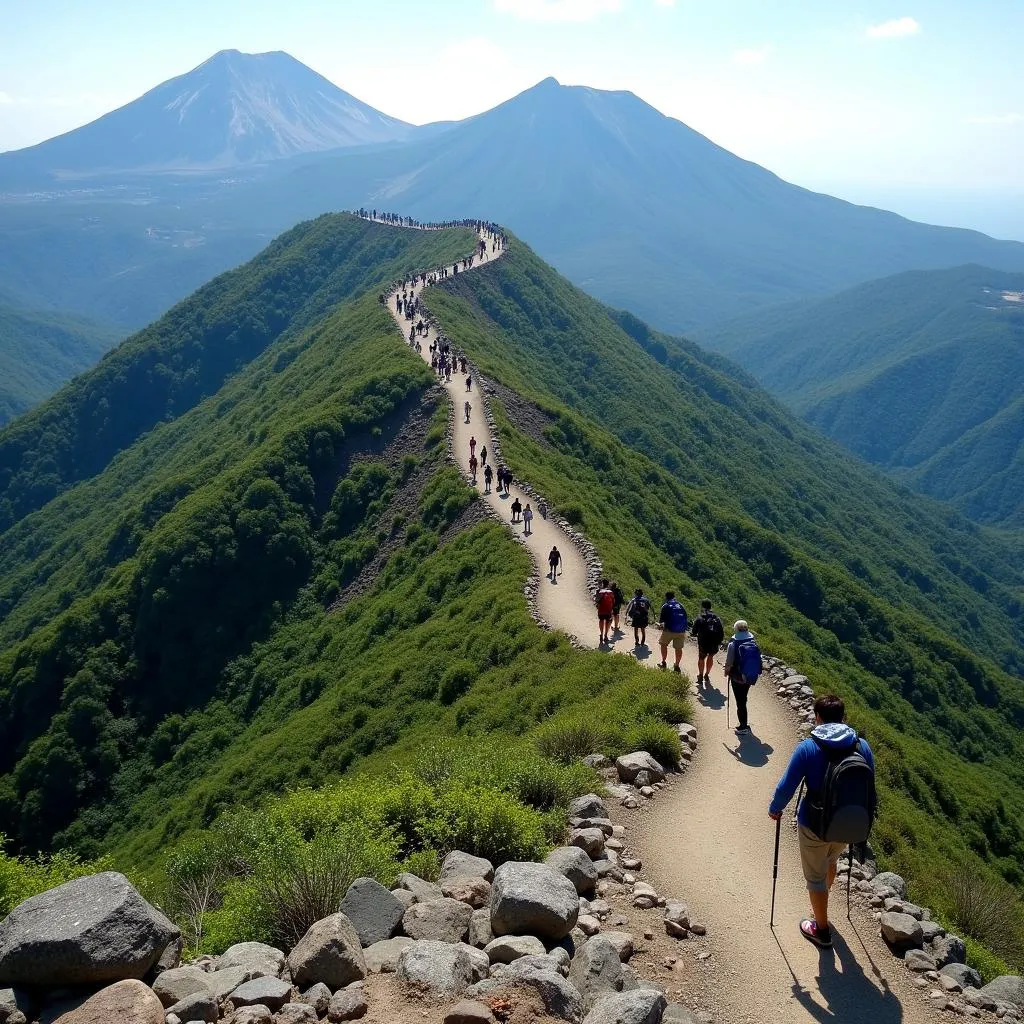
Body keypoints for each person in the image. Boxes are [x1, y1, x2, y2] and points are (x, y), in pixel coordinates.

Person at [769, 694, 876, 950]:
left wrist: (775, 809)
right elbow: (870, 786)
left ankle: (821, 929)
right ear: (843, 718)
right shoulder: (862, 746)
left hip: (814, 823)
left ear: (817, 718)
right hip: (848, 822)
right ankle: (821, 904)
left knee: (814, 876)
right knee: (830, 861)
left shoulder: (808, 748)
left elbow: (787, 786)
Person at [723, 620, 762, 734]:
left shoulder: (733, 644)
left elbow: (729, 663)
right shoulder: (753, 641)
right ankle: (744, 724)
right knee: (743, 698)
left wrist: (726, 672)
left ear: (736, 630)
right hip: (750, 676)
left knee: (740, 701)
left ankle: (743, 727)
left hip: (737, 677)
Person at [690, 599, 725, 686]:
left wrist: (694, 634)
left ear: (702, 607)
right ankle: (707, 675)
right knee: (710, 657)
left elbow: (694, 632)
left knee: (701, 658)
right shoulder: (717, 618)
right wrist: (719, 642)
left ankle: (700, 676)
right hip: (714, 643)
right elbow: (721, 632)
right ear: (710, 607)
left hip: (703, 642)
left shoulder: (700, 617)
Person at [657, 591, 688, 672]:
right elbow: (685, 617)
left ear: (666, 597)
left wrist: (661, 626)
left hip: (669, 630)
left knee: (663, 644)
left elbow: (661, 621)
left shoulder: (665, 606)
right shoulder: (681, 605)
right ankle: (677, 665)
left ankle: (663, 662)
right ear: (674, 597)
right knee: (678, 649)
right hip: (681, 630)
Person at [596, 579, 615, 645]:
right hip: (608, 610)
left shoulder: (599, 591)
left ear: (603, 584)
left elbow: (597, 601)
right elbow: (613, 602)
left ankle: (601, 634)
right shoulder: (611, 592)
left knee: (601, 621)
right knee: (608, 622)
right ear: (608, 584)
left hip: (601, 610)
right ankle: (606, 635)